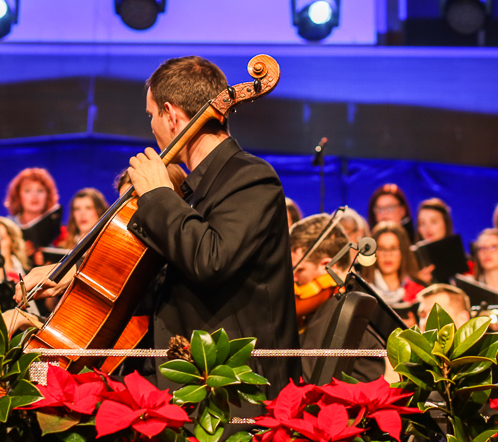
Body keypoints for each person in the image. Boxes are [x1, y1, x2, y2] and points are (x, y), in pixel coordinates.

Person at [18, 56, 301, 395]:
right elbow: (157, 274)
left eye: (152, 115)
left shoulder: (250, 177)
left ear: (171, 114)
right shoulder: (194, 190)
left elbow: (211, 260)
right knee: (34, 382)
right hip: (177, 379)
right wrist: (76, 275)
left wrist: (158, 194)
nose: (152, 127)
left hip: (229, 390)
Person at [290, 213, 385, 382]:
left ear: (325, 265)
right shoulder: (342, 303)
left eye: (300, 270)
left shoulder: (338, 307)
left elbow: (307, 381)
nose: (294, 278)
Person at [361, 221, 423, 307]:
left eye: (393, 248)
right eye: (382, 248)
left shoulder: (418, 294)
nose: (387, 255)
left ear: (403, 252)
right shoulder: (362, 292)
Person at [6, 168, 62, 260]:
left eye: (40, 190)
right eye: (27, 191)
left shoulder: (58, 230)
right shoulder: (7, 227)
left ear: (47, 195)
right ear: (18, 195)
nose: (34, 195)